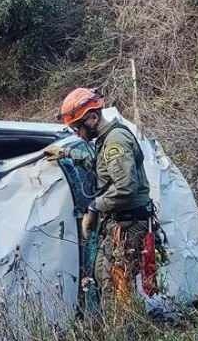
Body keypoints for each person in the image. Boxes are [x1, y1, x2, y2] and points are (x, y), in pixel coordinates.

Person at [55, 88, 156, 312]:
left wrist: (94, 208)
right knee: (107, 275)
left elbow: (125, 187)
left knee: (116, 285)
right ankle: (123, 330)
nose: (79, 135)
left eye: (79, 128)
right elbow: (104, 171)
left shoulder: (114, 142)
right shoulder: (106, 140)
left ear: (93, 117)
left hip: (127, 224)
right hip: (119, 223)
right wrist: (68, 154)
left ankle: (124, 339)